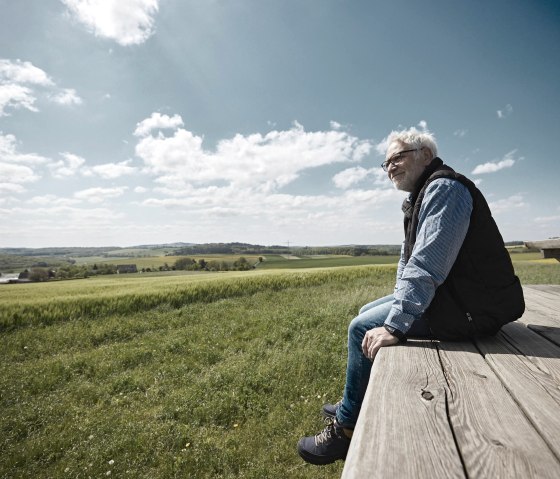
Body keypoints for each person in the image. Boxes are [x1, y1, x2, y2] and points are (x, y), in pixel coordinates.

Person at [297, 127, 525, 465]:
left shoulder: (445, 189)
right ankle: (357, 398)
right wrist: (396, 306)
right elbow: (408, 264)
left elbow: (426, 263)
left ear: (426, 157)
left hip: (474, 309)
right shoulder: (421, 196)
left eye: (397, 157)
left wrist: (396, 325)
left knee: (361, 327)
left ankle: (345, 428)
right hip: (459, 299)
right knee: (366, 311)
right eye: (385, 162)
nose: (390, 167)